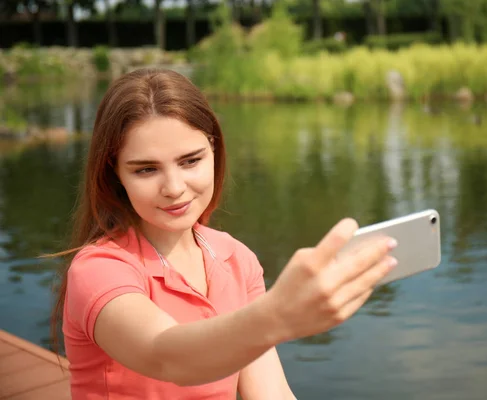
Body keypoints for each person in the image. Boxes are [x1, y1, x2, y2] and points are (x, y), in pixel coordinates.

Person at [49, 68, 398, 400]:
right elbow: (166, 356)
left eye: (190, 161)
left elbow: (271, 393)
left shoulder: (236, 259)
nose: (173, 187)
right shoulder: (98, 269)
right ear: (115, 175)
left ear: (214, 151)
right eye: (146, 169)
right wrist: (277, 315)